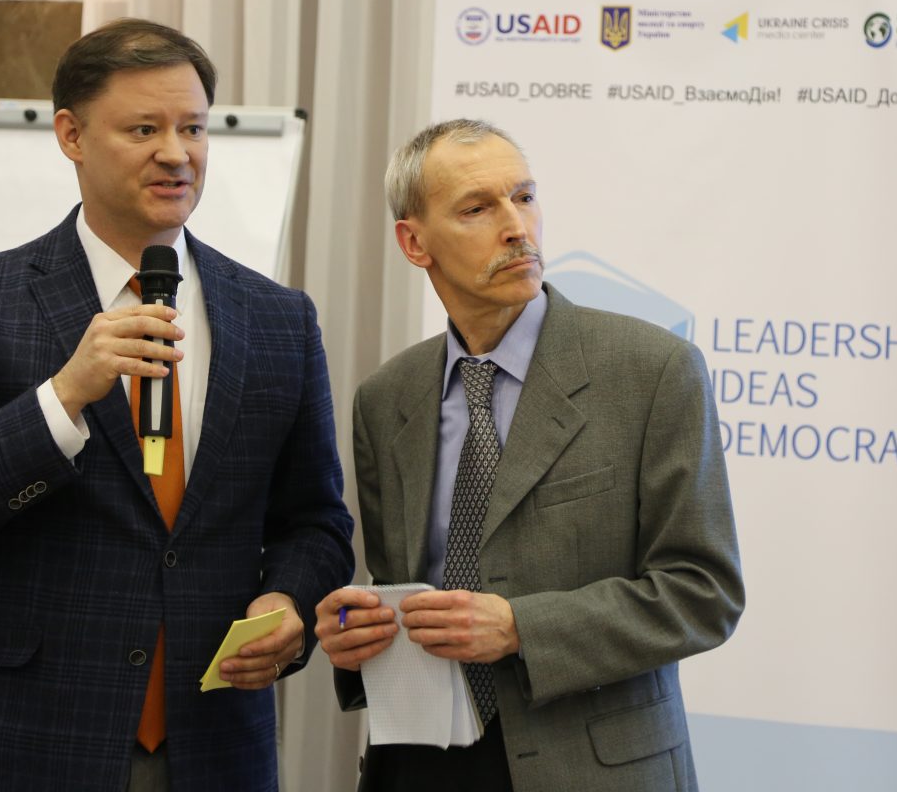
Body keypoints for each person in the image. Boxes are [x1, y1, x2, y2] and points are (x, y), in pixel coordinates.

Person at [0, 19, 354, 792]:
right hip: (9, 745)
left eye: (192, 128)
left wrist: (289, 600)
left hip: (209, 746)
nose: (177, 153)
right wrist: (62, 398)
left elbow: (317, 523)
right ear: (71, 134)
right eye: (144, 129)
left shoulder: (279, 319)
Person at [313, 119, 744, 791]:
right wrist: (357, 636)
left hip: (590, 769)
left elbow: (703, 591)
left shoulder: (653, 370)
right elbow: (400, 583)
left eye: (524, 197)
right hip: (421, 763)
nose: (517, 227)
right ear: (414, 242)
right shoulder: (385, 398)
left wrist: (521, 628)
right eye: (477, 209)